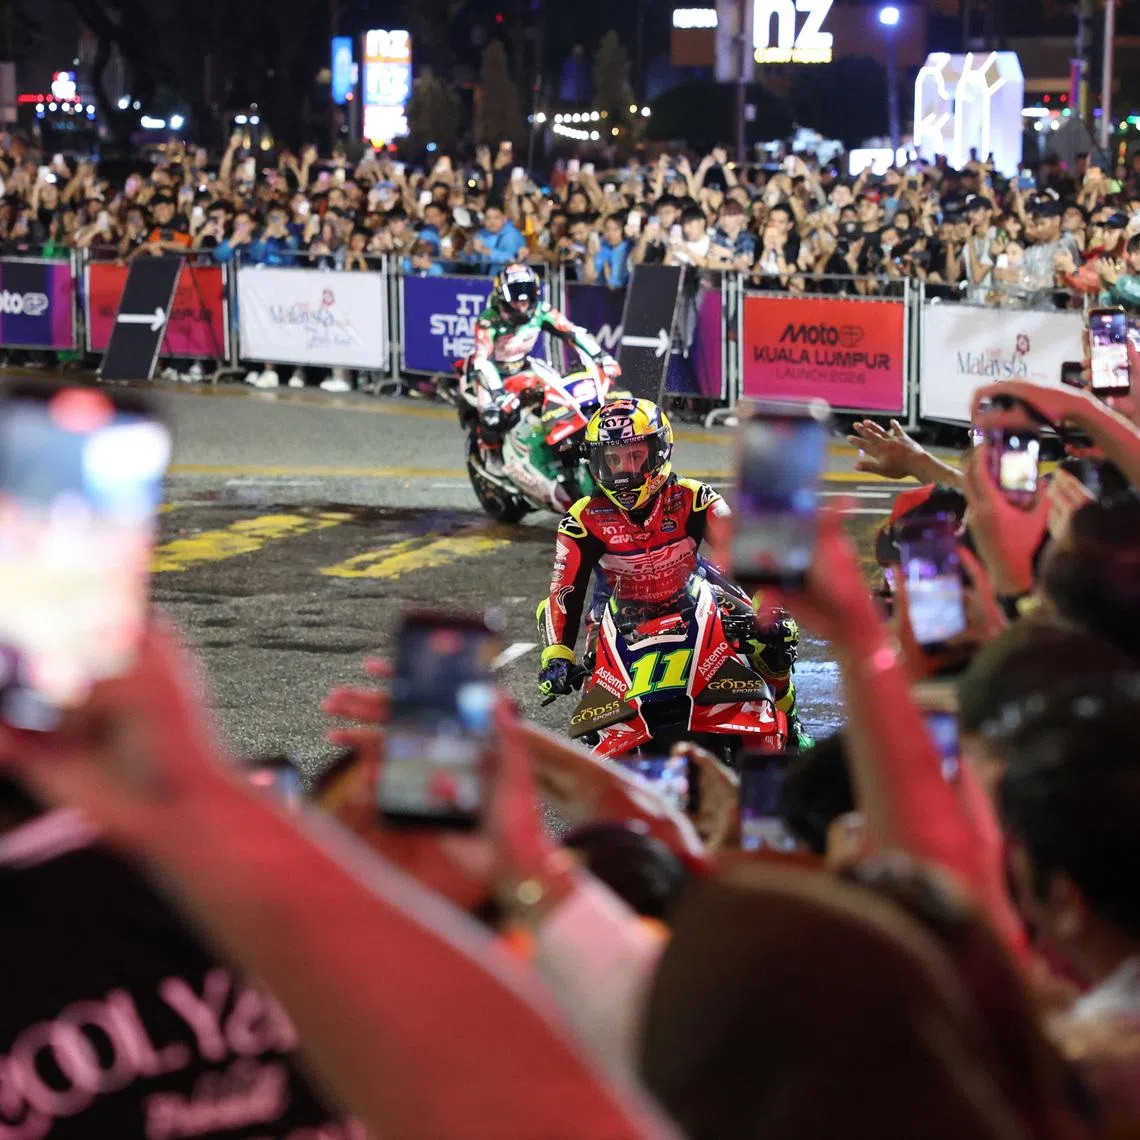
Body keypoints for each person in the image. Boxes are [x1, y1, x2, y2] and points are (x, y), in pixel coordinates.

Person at [536, 398, 810, 748]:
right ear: (596, 463)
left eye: (634, 456)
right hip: (616, 613)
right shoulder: (580, 519)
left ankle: (791, 721)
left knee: (775, 641)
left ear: (659, 452)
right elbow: (563, 591)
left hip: (700, 593)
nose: (624, 471)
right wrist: (557, 655)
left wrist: (767, 604)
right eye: (613, 460)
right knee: (594, 713)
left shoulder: (696, 497)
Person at [466, 263, 620, 511]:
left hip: (527, 368)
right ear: (502, 293)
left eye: (526, 290)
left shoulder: (541, 311)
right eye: (516, 292)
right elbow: (482, 359)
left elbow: (573, 332)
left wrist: (602, 357)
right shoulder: (488, 320)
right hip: (495, 373)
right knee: (495, 416)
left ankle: (556, 452)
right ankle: (493, 457)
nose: (522, 300)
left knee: (561, 396)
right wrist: (497, 394)